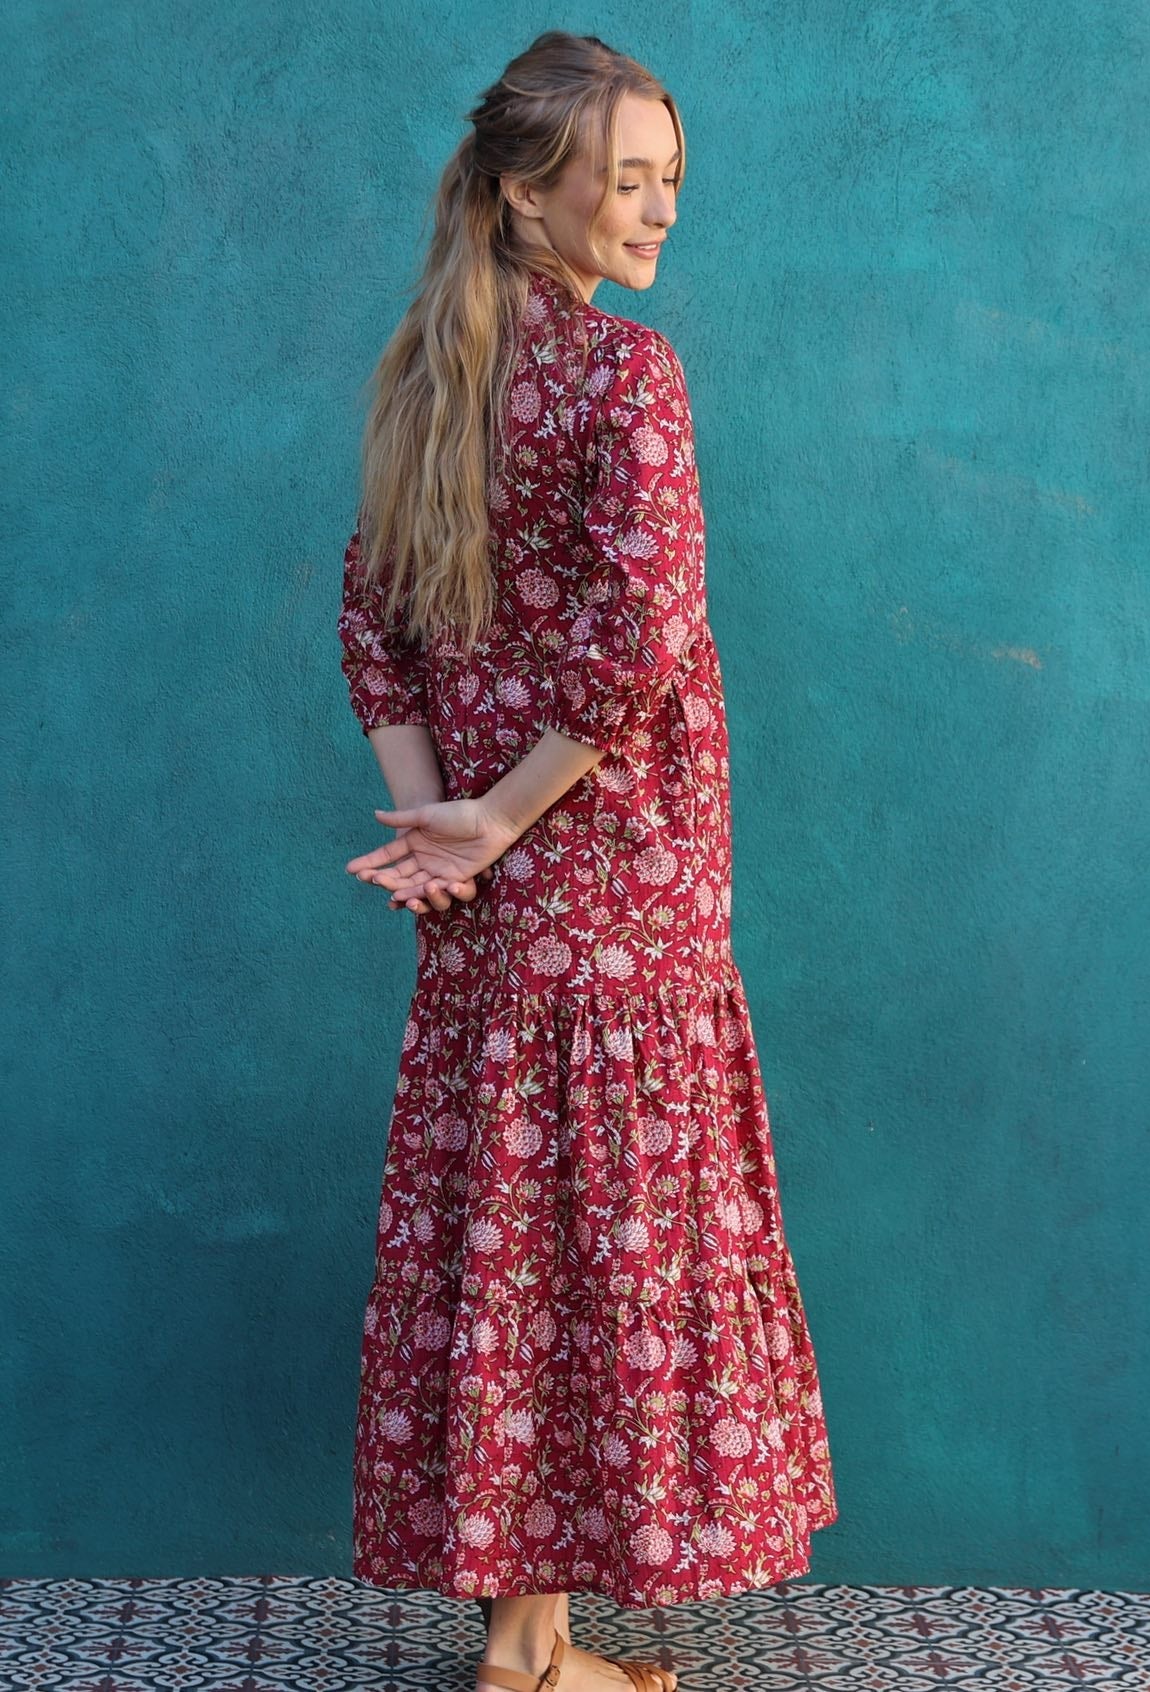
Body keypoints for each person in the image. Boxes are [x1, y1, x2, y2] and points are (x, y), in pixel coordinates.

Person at [336, 30, 838, 1692]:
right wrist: (479, 824)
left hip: (495, 903)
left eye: (668, 180)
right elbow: (638, 644)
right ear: (521, 189)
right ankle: (534, 1658)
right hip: (618, 896)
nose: (658, 211)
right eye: (626, 179)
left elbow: (376, 636)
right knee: (598, 1252)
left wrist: (445, 828)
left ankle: (529, 1649)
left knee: (516, 1253)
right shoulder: (631, 380)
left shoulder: (430, 378)